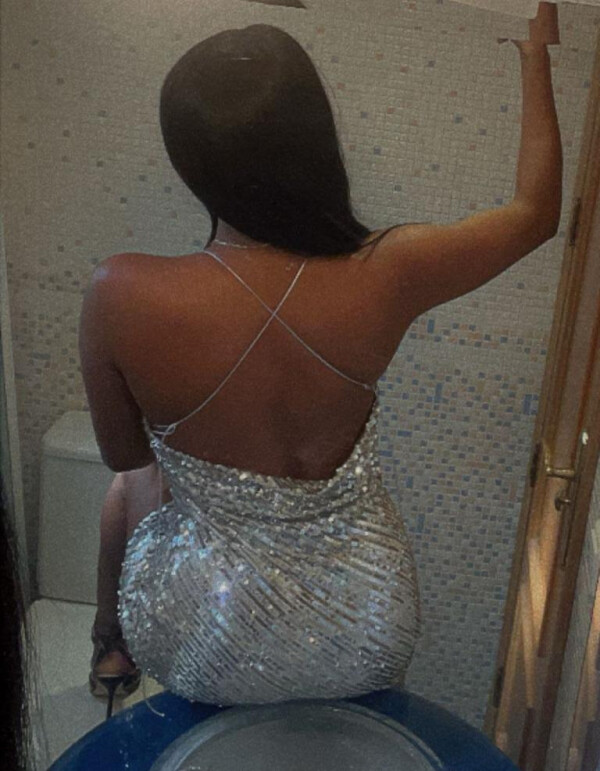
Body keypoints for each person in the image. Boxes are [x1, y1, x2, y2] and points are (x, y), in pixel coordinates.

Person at [80, 4, 562, 712]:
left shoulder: (121, 292)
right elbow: (535, 214)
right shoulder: (391, 268)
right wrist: (534, 52)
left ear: (189, 160)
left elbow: (125, 454)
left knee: (131, 488)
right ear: (315, 142)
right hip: (364, 613)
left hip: (206, 621)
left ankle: (109, 640)